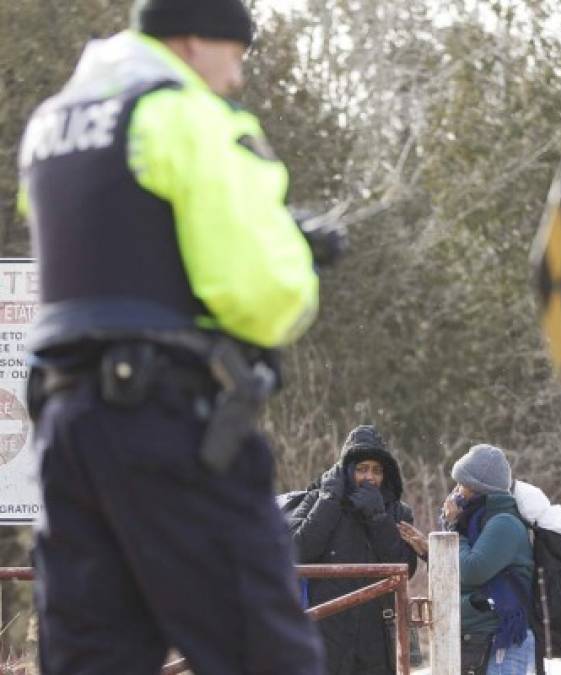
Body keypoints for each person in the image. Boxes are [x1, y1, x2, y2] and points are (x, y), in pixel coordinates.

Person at [17, 1, 329, 673]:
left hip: (68, 430)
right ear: (192, 39)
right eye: (235, 56)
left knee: (93, 655)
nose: (236, 79)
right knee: (264, 648)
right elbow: (262, 298)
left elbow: (118, 245)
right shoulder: (184, 115)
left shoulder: (54, 123)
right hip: (171, 423)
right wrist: (289, 247)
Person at [288, 424, 418, 675]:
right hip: (324, 635)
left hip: (376, 638)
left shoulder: (396, 512)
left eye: (377, 470)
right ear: (347, 470)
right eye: (361, 469)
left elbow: (405, 566)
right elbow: (296, 551)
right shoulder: (317, 499)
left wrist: (378, 518)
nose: (370, 477)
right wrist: (329, 502)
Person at [399, 444, 535, 675]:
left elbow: (472, 571)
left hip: (502, 644)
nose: (456, 491)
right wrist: (430, 552)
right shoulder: (481, 522)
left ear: (477, 488)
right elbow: (465, 574)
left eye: (462, 484)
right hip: (482, 639)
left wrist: (453, 530)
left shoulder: (503, 524)